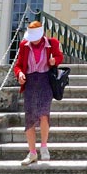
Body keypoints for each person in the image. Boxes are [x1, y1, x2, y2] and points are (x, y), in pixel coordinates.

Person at [12, 20, 63, 165]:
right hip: (30, 83)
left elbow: (60, 57)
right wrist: (20, 74)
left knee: (44, 114)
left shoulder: (52, 43)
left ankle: (44, 147)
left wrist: (54, 61)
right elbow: (18, 65)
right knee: (30, 118)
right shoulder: (24, 45)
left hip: (45, 81)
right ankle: (32, 153)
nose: (33, 41)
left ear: (42, 35)